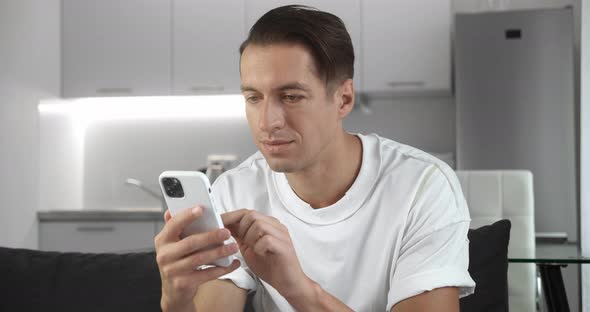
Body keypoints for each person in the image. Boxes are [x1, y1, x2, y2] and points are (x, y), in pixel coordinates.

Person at [154, 5, 475, 312]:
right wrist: (175, 298)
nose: (267, 122)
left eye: (291, 97)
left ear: (344, 99)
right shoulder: (233, 191)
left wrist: (297, 288)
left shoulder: (423, 187)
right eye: (254, 97)